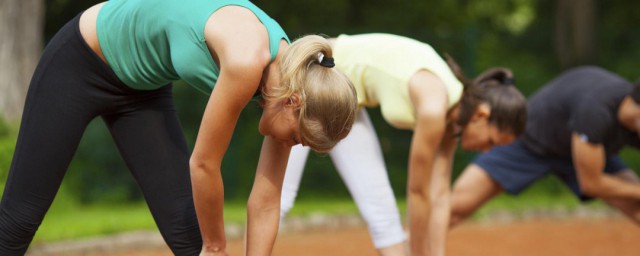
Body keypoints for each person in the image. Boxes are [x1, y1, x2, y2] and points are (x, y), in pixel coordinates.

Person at [0, 0, 358, 255]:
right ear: (294, 103)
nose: (293, 146)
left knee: (191, 240)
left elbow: (265, 202)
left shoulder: (291, 80)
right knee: (18, 222)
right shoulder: (248, 59)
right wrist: (217, 248)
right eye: (298, 138)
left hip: (141, 93)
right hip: (82, 63)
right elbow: (203, 165)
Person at [279, 33, 527, 256]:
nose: (486, 151)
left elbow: (439, 198)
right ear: (481, 115)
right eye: (491, 141)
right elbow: (418, 194)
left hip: (347, 104)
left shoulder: (451, 122)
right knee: (281, 198)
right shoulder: (434, 107)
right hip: (316, 79)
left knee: (386, 223)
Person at [450, 66, 640, 230]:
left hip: (586, 151)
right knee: (455, 208)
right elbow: (591, 184)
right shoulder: (597, 110)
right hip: (527, 142)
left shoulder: (631, 118)